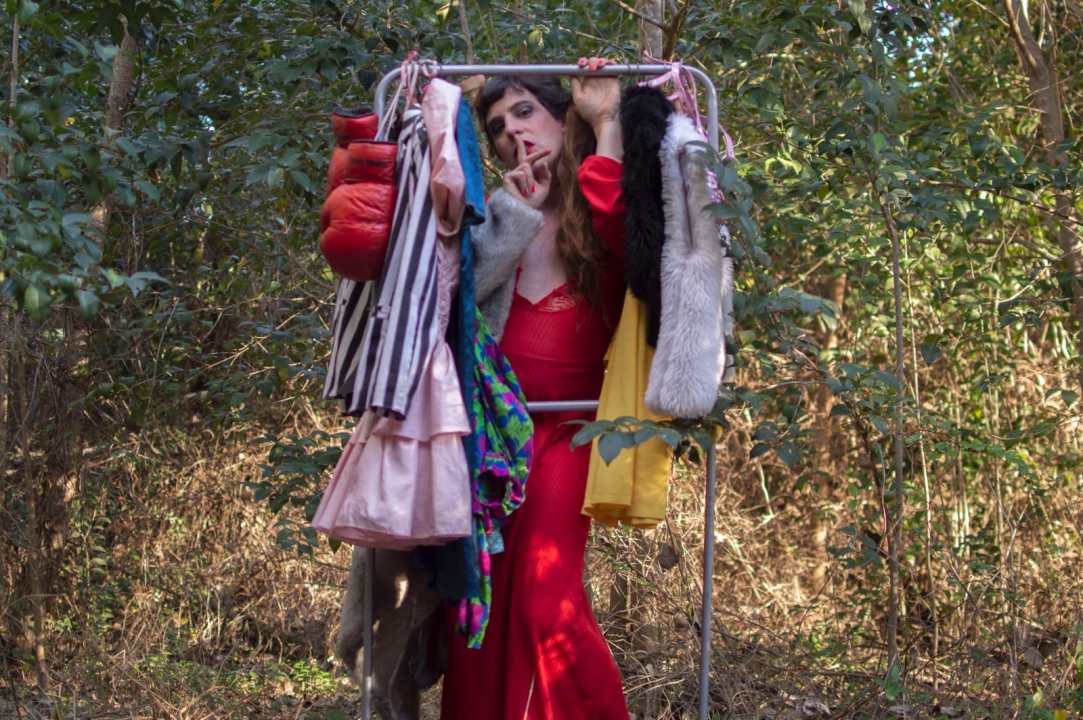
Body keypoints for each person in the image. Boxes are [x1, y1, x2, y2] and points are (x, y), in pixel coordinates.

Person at [440, 58, 630, 720]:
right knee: (480, 609)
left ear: (561, 117)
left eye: (525, 112)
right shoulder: (497, 212)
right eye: (496, 126)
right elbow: (458, 300)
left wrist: (605, 119)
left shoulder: (596, 205)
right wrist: (515, 211)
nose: (512, 133)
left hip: (571, 433)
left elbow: (623, 224)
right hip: (490, 441)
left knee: (546, 603)